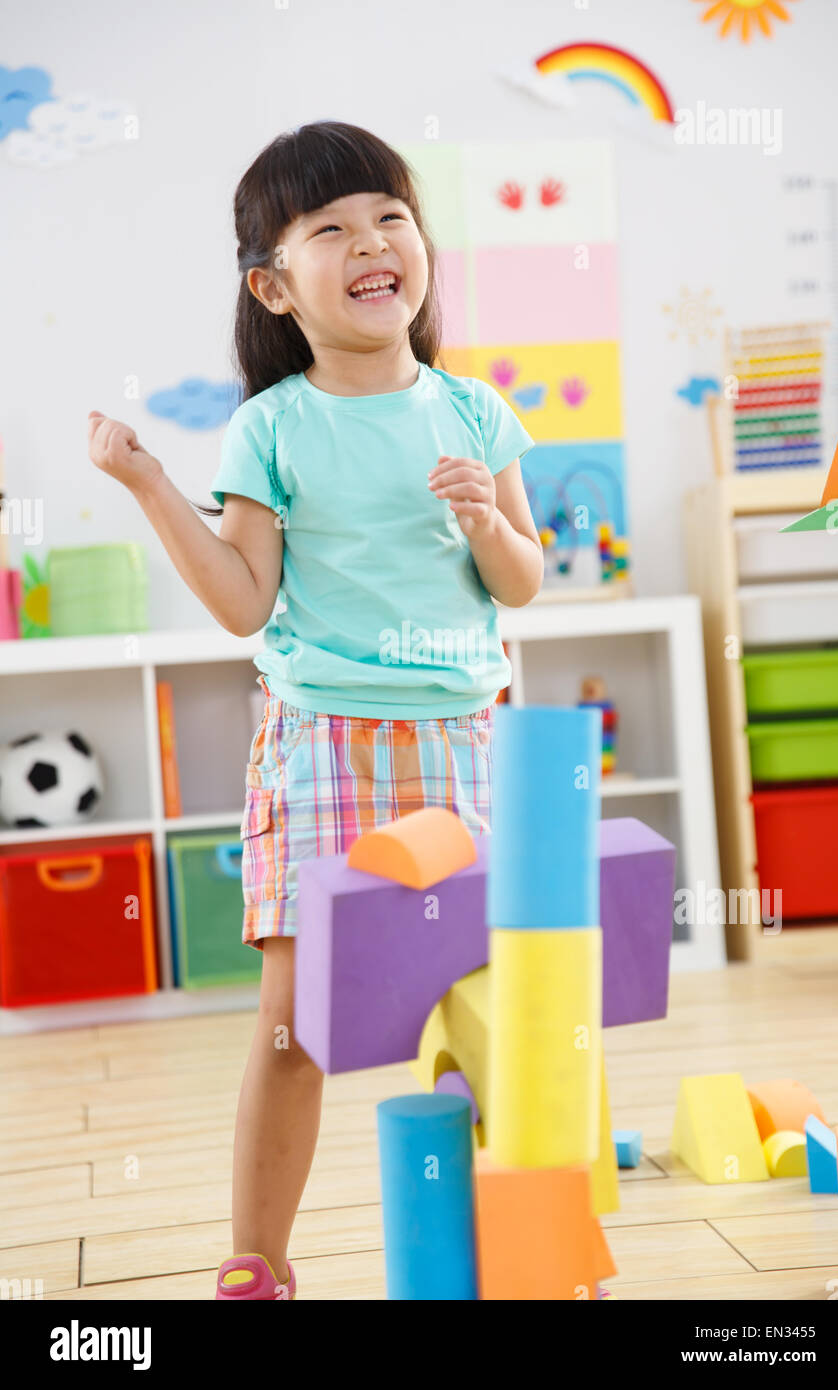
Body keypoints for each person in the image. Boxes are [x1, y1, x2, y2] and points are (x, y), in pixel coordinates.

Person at [87, 120, 542, 1301]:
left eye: (389, 215)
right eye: (329, 227)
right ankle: (260, 1256)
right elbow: (244, 601)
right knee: (294, 1023)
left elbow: (522, 579)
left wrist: (486, 526)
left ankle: (511, 1232)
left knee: (479, 997)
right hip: (322, 741)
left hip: (459, 738)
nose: (371, 240)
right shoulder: (272, 425)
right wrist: (146, 480)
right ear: (273, 284)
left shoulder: (476, 412)